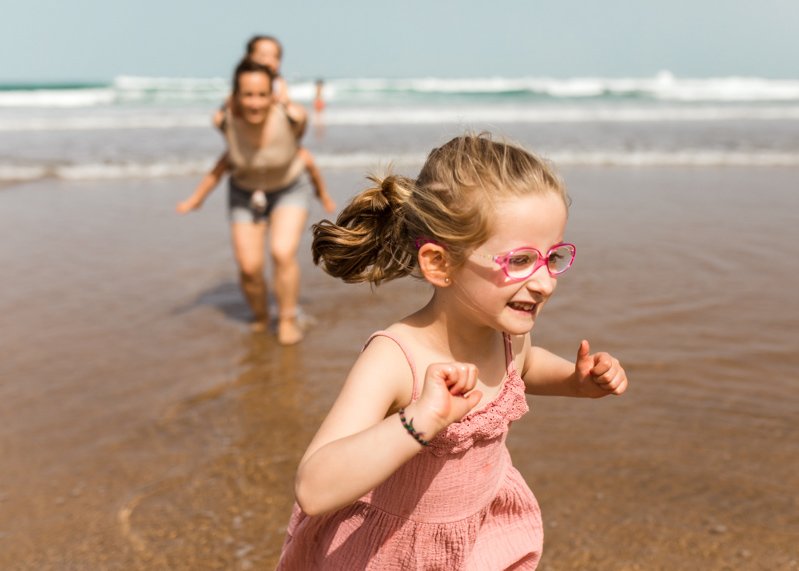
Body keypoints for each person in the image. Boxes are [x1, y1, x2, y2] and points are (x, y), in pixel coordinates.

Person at [276, 133, 628, 569]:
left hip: (477, 539)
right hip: (393, 552)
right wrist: (420, 420)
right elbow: (314, 486)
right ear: (440, 263)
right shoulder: (395, 357)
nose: (545, 282)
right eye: (520, 260)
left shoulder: (508, 337)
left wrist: (575, 383)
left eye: (551, 257)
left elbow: (527, 366)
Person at [176, 59, 314, 344]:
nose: (255, 103)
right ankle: (262, 316)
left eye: (262, 95)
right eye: (248, 95)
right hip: (244, 193)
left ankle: (287, 318)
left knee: (281, 252)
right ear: (235, 96)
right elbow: (223, 161)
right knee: (249, 267)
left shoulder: (290, 117)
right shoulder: (226, 121)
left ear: (272, 94)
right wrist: (197, 198)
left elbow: (302, 124)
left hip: (289, 188)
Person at [213, 35, 335, 213]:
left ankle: (322, 194)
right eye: (262, 55)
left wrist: (285, 106)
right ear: (247, 58)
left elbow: (296, 121)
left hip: (281, 146)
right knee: (227, 161)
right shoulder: (242, 84)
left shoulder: (279, 85)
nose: (269, 61)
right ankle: (198, 199)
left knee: (306, 158)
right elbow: (225, 119)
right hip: (247, 152)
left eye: (275, 56)